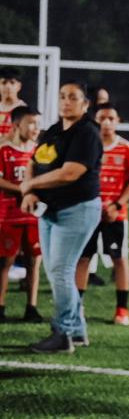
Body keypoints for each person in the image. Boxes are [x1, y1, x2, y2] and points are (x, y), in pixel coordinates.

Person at [19, 82, 103, 353]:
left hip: (76, 209)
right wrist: (30, 191)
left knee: (61, 271)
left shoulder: (87, 133)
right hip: (50, 210)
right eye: (62, 96)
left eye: (73, 97)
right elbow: (32, 162)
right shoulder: (54, 130)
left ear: (85, 104)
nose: (66, 101)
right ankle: (76, 331)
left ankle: (63, 333)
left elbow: (70, 172)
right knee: (56, 271)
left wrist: (31, 185)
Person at [75, 104, 129, 326]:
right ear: (95, 121)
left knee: (119, 258)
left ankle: (122, 309)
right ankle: (77, 307)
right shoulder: (87, 146)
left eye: (111, 118)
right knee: (83, 258)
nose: (106, 123)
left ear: (118, 121)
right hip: (89, 213)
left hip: (115, 215)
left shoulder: (125, 147)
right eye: (102, 118)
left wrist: (117, 205)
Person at [0, 106, 42, 323]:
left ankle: (31, 307)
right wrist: (22, 190)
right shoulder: (4, 150)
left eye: (38, 124)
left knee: (34, 261)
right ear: (17, 125)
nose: (36, 128)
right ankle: (0, 306)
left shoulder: (40, 152)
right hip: (9, 216)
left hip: (34, 217)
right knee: (4, 262)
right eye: (31, 123)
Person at [0, 67, 24, 140]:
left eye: (12, 83)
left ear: (19, 86)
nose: (8, 86)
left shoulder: (24, 110)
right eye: (4, 83)